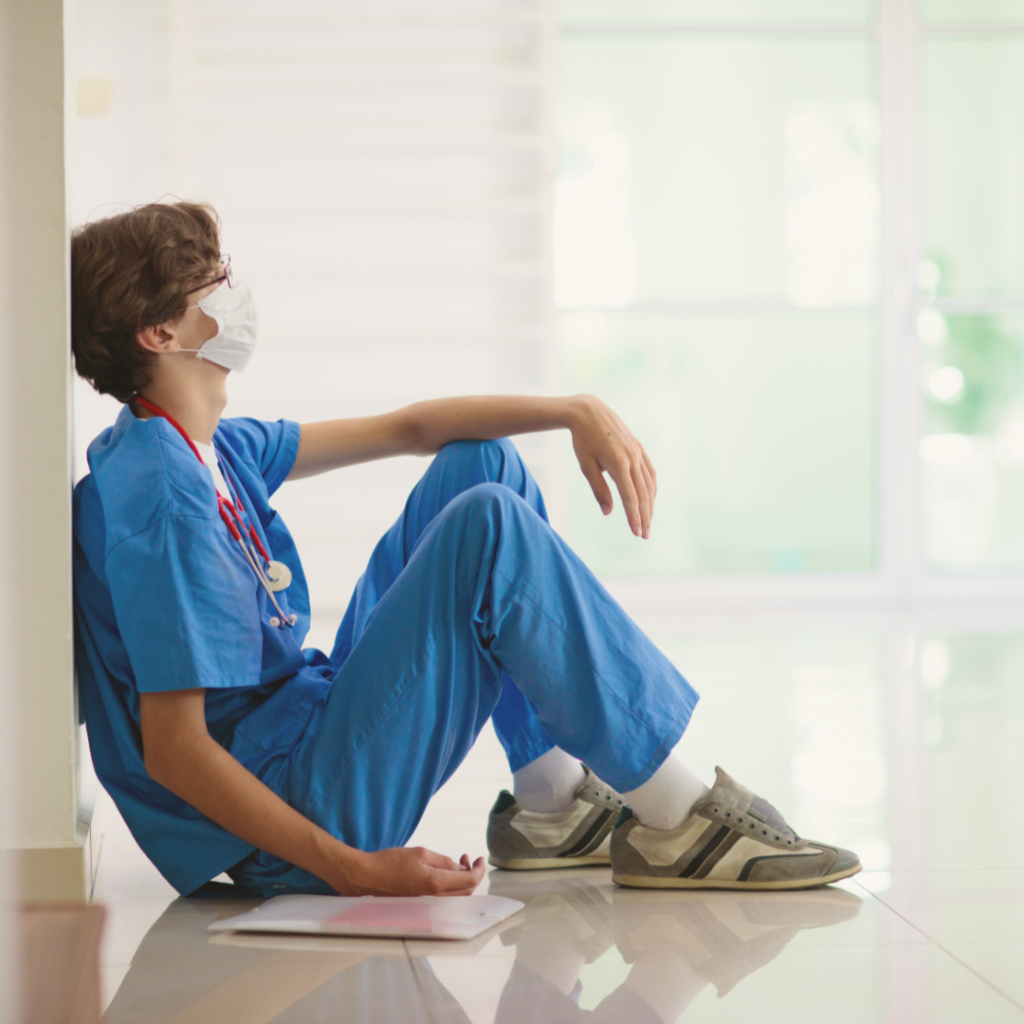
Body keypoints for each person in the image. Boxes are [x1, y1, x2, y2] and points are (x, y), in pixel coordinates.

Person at [71, 200, 861, 899]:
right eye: (216, 284)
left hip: (303, 730)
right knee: (485, 525)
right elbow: (174, 751)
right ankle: (680, 818)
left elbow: (413, 429)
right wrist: (353, 868)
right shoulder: (159, 501)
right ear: (161, 331)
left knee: (482, 464)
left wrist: (574, 410)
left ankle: (548, 803)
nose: (237, 296)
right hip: (301, 810)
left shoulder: (203, 448)